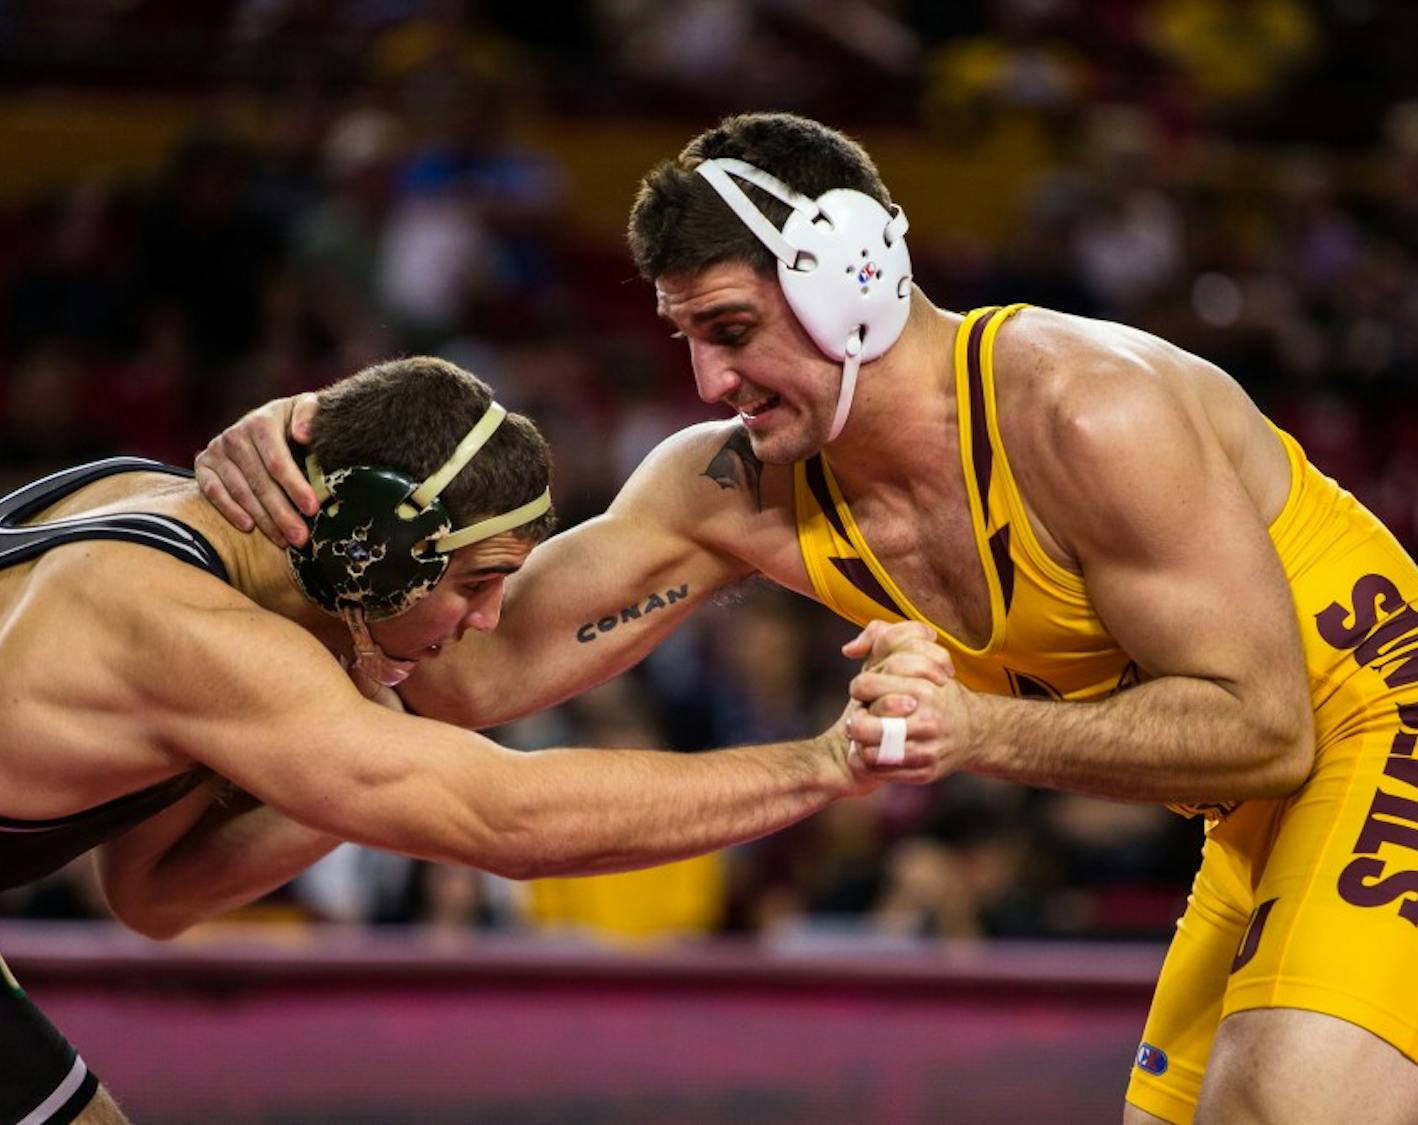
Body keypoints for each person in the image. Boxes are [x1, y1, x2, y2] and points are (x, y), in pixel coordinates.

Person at [197, 112, 1418, 1124]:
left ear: (854, 274)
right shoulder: (735, 488)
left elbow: (1267, 726)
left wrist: (972, 730)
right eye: (685, 337)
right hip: (1259, 820)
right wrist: (323, 489)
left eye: (732, 328)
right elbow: (473, 677)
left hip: (1412, 726)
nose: (708, 380)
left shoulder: (1084, 410)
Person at [0, 353, 883, 1125]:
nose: (488, 618)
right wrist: (825, 762)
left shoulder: (132, 497)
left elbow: (154, 893)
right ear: (371, 549)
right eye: (478, 582)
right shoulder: (194, 638)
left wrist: (385, 729)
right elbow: (513, 820)